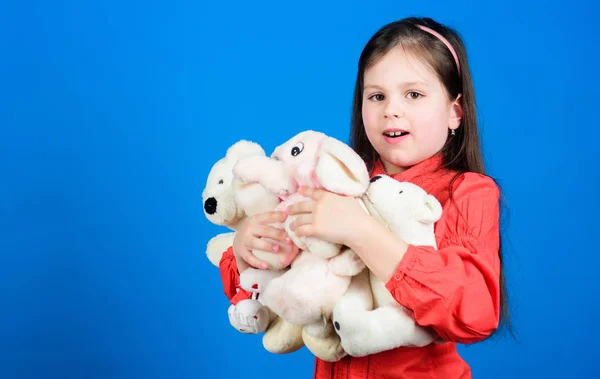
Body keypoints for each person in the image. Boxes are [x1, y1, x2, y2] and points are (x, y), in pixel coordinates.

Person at [218, 16, 511, 378]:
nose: (392, 109)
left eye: (414, 94)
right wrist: (249, 249)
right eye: (377, 96)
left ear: (455, 112)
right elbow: (280, 287)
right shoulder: (334, 184)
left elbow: (476, 311)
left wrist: (362, 231)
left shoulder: (468, 192)